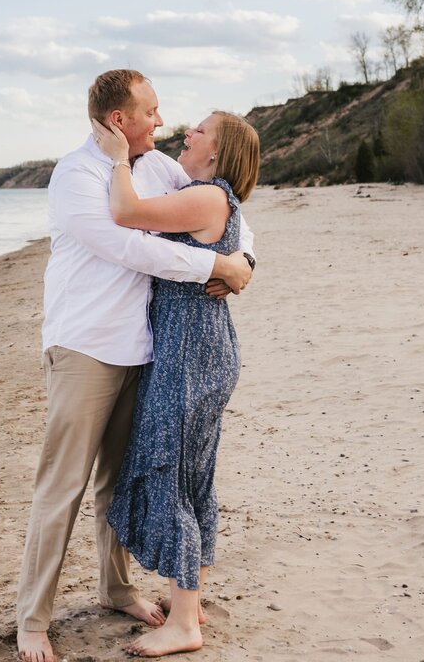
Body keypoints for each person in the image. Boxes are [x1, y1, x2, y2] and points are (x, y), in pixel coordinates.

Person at [16, 70, 256, 662]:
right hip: (86, 348)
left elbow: (227, 211)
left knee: (116, 482)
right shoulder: (76, 175)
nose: (163, 121)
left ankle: (116, 588)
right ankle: (31, 620)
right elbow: (127, 244)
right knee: (63, 486)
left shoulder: (156, 168)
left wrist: (244, 257)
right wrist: (214, 270)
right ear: (119, 120)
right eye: (150, 111)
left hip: (147, 351)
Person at [91, 109, 260, 657]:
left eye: (201, 131)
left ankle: (185, 623)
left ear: (218, 152)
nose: (188, 132)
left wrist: (118, 160)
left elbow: (125, 211)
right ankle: (190, 601)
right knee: (187, 475)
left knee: (174, 474)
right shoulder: (208, 195)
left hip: (192, 352)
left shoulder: (210, 196)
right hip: (196, 348)